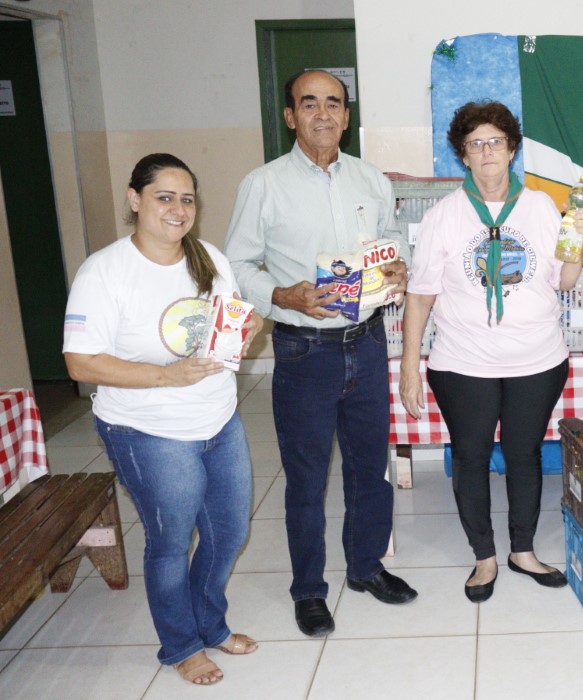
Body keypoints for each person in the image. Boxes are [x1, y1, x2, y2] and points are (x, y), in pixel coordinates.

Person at [224, 70, 416, 637]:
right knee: (307, 479)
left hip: (368, 342)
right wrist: (282, 295)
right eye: (309, 104)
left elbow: (392, 238)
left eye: (334, 103)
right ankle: (308, 589)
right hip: (304, 350)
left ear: (347, 116)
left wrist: (398, 266)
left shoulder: (371, 179)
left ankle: (365, 567)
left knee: (368, 469)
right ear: (291, 116)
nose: (323, 114)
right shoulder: (263, 184)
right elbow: (236, 265)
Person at [62, 153, 262, 685]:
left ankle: (211, 625)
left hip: (218, 420)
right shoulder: (104, 272)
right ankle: (180, 645)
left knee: (228, 532)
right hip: (146, 431)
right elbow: (80, 362)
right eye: (164, 197)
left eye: (187, 199)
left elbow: (228, 324)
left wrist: (247, 327)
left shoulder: (208, 257)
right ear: (135, 200)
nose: (178, 209)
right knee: (171, 541)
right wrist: (165, 377)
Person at [399, 101, 583, 603]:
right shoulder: (443, 217)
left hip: (537, 359)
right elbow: (420, 296)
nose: (486, 153)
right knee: (471, 456)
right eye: (475, 144)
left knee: (525, 454)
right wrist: (410, 368)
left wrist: (579, 244)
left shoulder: (541, 208)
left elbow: (564, 281)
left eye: (495, 142)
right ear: (463, 155)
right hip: (463, 363)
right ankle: (484, 557)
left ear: (512, 149)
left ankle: (522, 551)